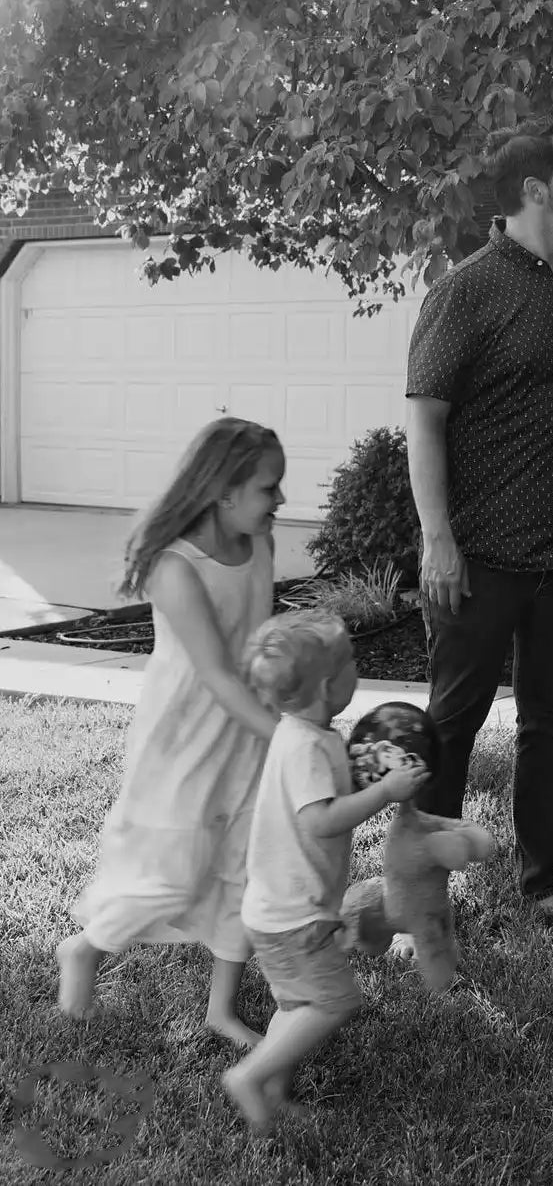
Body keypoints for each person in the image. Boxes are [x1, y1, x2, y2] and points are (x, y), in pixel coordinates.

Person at [405, 120, 553, 934]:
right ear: (536, 190)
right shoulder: (465, 290)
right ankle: (422, 895)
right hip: (482, 551)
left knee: (545, 722)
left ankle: (542, 883)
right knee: (451, 723)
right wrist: (437, 538)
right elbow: (425, 420)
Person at [56, 418, 287, 1045]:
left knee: (244, 865)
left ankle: (221, 1010)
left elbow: (255, 643)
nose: (281, 498)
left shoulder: (260, 543)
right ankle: (86, 948)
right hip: (187, 738)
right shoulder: (176, 567)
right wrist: (289, 737)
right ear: (224, 491)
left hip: (249, 729)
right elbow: (216, 674)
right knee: (174, 870)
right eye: (269, 487)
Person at [222, 612, 429, 1134]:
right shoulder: (307, 747)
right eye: (351, 661)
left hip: (279, 909)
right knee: (335, 1000)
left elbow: (329, 793)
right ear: (326, 686)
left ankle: (274, 1092)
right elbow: (320, 820)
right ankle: (250, 1076)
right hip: (295, 915)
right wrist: (384, 793)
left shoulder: (308, 735)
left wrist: (374, 772)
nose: (359, 666)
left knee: (296, 1004)